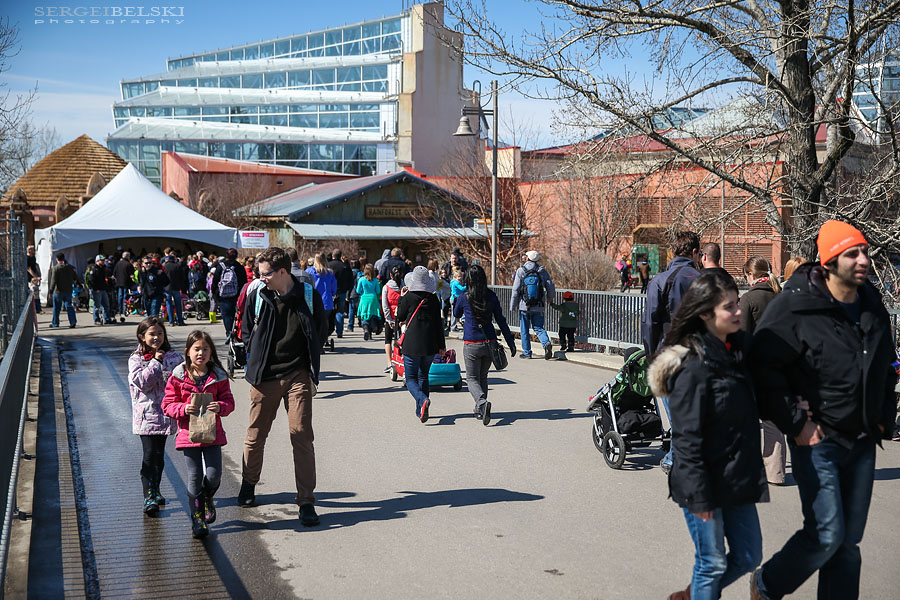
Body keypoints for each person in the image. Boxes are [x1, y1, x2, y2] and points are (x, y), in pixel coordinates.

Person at [749, 221, 897, 600]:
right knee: (826, 534)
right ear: (830, 262)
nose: (863, 259)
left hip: (862, 440)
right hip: (818, 442)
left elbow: (885, 364)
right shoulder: (796, 306)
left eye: (864, 251)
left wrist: (884, 413)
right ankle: (767, 584)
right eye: (852, 253)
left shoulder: (872, 305)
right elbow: (763, 366)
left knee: (847, 544)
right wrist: (795, 422)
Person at [648, 272, 767, 600]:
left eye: (737, 302)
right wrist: (701, 498)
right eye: (729, 307)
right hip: (702, 482)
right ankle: (700, 591)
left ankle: (694, 593)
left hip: (736, 476)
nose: (738, 311)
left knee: (748, 556)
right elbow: (686, 440)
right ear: (705, 314)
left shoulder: (738, 351)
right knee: (711, 562)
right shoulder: (692, 367)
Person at [237, 247, 326, 527]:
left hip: (298, 374)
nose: (260, 278)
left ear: (283, 272)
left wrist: (309, 359)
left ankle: (306, 501)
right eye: (258, 274)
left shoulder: (308, 296)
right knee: (256, 434)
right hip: (264, 377)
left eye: (265, 274)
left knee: (301, 434)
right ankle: (249, 482)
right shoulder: (258, 295)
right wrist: (254, 351)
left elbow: (322, 328)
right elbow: (246, 330)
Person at [162, 330, 235, 539]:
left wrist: (220, 406)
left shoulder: (219, 376)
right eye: (196, 349)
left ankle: (206, 499)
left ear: (211, 353)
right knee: (194, 476)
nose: (200, 353)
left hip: (212, 434)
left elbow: (229, 402)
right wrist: (183, 409)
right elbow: (167, 405)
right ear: (188, 352)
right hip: (188, 435)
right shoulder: (178, 376)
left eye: (205, 349)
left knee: (214, 476)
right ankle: (197, 520)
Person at [641, 231, 701, 472]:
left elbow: (650, 322)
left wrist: (650, 355)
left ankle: (676, 457)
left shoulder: (661, 280)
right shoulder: (703, 279)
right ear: (695, 252)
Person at [737, 256, 785, 486]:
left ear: (750, 275)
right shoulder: (780, 297)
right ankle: (775, 473)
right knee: (773, 422)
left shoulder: (748, 299)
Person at [128, 317, 183, 515]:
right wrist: (156, 361)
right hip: (146, 416)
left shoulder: (174, 357)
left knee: (159, 456)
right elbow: (143, 382)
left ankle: (156, 489)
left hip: (166, 415)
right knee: (149, 455)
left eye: (160, 333)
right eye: (152, 334)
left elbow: (184, 379)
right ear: (142, 336)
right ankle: (148, 495)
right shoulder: (136, 359)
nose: (156, 338)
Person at [454, 265, 516, 424]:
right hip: (490, 342)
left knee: (472, 378)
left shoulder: (464, 296)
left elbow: (456, 313)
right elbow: (501, 320)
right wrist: (510, 341)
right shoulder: (491, 296)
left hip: (471, 343)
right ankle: (479, 409)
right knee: (483, 376)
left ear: (468, 279)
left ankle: (481, 403)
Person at [395, 266, 446, 423]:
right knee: (424, 375)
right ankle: (420, 410)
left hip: (412, 343)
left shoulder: (409, 297)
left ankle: (422, 399)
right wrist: (442, 346)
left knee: (410, 378)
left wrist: (402, 298)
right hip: (430, 343)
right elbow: (439, 324)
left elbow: (400, 316)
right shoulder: (433, 299)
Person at [510, 250, 556, 360]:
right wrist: (549, 299)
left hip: (524, 306)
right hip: (539, 305)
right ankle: (546, 343)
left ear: (527, 258)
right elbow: (550, 287)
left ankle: (527, 352)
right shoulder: (542, 271)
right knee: (539, 328)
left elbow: (515, 290)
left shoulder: (521, 271)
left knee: (524, 329)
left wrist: (513, 306)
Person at [211, 248, 247, 339]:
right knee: (236, 314)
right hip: (236, 295)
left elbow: (215, 281)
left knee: (226, 315)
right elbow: (244, 281)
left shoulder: (220, 266)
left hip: (223, 295)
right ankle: (236, 332)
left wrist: (215, 294)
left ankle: (228, 332)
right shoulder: (239, 266)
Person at [307, 252, 338, 343]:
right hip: (326, 302)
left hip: (313, 301)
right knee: (325, 322)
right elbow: (334, 289)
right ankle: (324, 339)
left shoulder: (309, 272)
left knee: (315, 322)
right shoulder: (329, 273)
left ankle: (316, 340)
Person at [381, 266, 404, 373]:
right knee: (402, 340)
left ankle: (390, 363)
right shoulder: (404, 286)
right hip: (402, 317)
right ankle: (402, 360)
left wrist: (389, 319)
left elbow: (385, 305)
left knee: (388, 340)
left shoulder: (386, 287)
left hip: (391, 317)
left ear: (390, 275)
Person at [48, 252, 78, 328]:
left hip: (58, 290)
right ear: (64, 258)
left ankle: (55, 323)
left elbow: (53, 280)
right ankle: (73, 321)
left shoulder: (56, 268)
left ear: (57, 259)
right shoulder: (70, 267)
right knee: (69, 306)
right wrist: (78, 284)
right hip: (68, 290)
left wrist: (50, 291)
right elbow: (75, 277)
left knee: (56, 308)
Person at [328, 249, 354, 338]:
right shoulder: (345, 266)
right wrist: (348, 290)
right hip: (342, 291)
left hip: (330, 292)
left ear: (333, 256)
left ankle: (328, 330)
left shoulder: (329, 266)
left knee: (329, 312)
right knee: (340, 311)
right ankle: (339, 331)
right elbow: (351, 280)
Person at [355, 263, 382, 341]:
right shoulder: (375, 280)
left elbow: (358, 290)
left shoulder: (361, 279)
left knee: (364, 315)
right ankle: (370, 332)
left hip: (364, 299)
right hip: (373, 299)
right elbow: (378, 291)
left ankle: (365, 328)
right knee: (372, 316)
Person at [87, 254, 113, 325]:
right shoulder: (94, 269)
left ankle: (107, 319)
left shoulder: (104, 268)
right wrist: (95, 289)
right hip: (97, 290)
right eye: (102, 260)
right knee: (97, 306)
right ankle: (96, 320)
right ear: (97, 261)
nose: (103, 261)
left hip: (103, 289)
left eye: (104, 260)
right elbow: (91, 280)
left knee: (106, 305)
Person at [163, 253, 188, 326]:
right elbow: (183, 277)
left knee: (169, 304)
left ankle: (171, 321)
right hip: (176, 287)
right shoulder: (178, 266)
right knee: (178, 305)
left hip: (167, 287)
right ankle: (180, 320)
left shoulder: (164, 267)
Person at [114, 252, 135, 319]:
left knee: (120, 296)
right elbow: (132, 273)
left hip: (119, 282)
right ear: (127, 256)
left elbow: (114, 272)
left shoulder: (118, 263)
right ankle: (123, 309)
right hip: (126, 282)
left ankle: (120, 309)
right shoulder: (128, 264)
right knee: (125, 297)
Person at [449, 267, 467, 332]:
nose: (460, 278)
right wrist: (468, 286)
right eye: (459, 276)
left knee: (455, 313)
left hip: (455, 298)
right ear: (455, 276)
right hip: (455, 299)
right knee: (454, 314)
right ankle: (453, 327)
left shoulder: (453, 282)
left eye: (461, 276)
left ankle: (454, 326)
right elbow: (462, 289)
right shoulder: (456, 283)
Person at [347, 259, 363, 331]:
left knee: (352, 310)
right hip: (361, 293)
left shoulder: (351, 273)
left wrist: (347, 295)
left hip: (353, 293)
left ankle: (350, 326)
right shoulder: (361, 273)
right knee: (360, 309)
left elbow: (349, 285)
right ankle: (361, 323)